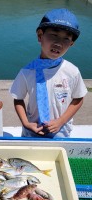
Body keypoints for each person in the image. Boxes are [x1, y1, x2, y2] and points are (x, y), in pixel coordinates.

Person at [9, 8, 87, 138]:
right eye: (54, 35)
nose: (58, 43)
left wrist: (60, 121)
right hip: (32, 129)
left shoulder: (72, 71)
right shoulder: (27, 71)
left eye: (66, 39)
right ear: (40, 35)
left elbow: (79, 98)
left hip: (61, 130)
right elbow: (18, 98)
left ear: (71, 43)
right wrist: (26, 123)